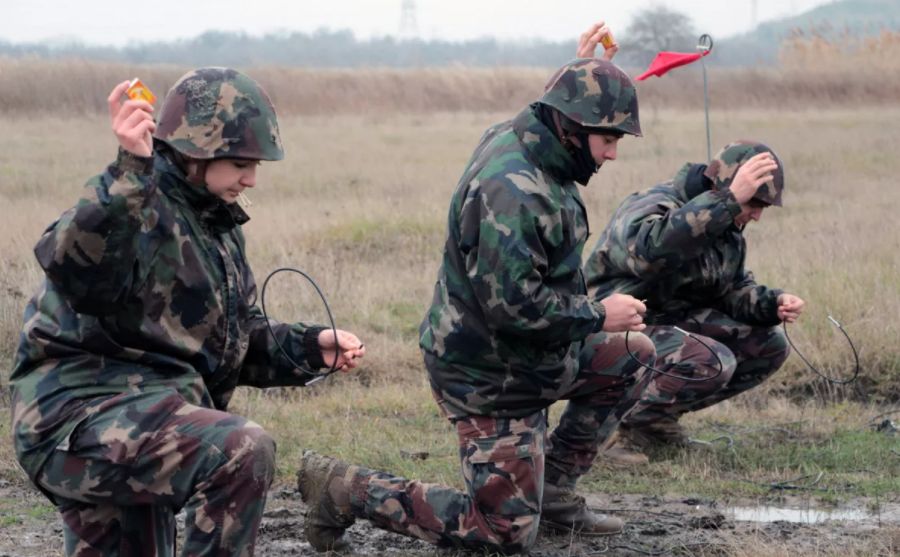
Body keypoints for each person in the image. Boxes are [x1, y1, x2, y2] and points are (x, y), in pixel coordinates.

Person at [297, 22, 656, 554]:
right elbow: (515, 308)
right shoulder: (511, 191)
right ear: (572, 129)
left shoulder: (534, 137)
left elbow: (544, 113)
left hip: (533, 354)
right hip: (487, 373)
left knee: (634, 355)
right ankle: (346, 489)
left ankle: (550, 491)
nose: (612, 155)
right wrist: (599, 315)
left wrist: (578, 72)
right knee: (503, 535)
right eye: (608, 140)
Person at [9, 67, 365, 556]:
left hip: (147, 420)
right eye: (241, 162)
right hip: (77, 421)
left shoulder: (213, 223)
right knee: (239, 449)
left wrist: (307, 348)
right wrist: (128, 170)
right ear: (196, 153)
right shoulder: (134, 203)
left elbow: (221, 339)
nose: (252, 178)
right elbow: (74, 270)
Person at [584, 140, 804, 465]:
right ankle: (606, 430)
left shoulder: (727, 222)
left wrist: (773, 304)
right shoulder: (654, 204)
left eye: (763, 207)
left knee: (769, 344)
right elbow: (648, 256)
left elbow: (729, 289)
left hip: (669, 328)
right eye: (752, 202)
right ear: (724, 189)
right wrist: (726, 204)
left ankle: (651, 423)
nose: (756, 215)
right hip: (611, 328)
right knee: (713, 359)